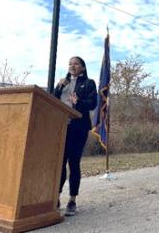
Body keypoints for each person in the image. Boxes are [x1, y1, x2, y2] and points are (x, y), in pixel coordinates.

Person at [53, 56, 97, 216]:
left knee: (73, 163)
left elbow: (92, 103)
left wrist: (78, 102)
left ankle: (72, 200)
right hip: (61, 127)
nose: (72, 66)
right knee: (59, 163)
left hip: (78, 128)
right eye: (70, 63)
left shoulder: (89, 83)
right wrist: (58, 88)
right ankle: (55, 197)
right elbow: (51, 99)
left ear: (83, 67)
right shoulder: (62, 82)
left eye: (76, 63)